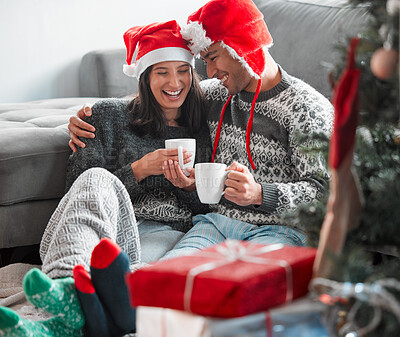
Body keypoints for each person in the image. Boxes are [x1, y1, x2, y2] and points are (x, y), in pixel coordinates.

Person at [69, 0, 334, 258]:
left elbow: (328, 193)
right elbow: (162, 98)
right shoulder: (217, 94)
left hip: (278, 230)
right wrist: (88, 118)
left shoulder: (306, 109)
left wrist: (259, 193)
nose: (209, 71)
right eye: (204, 61)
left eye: (213, 58)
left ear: (242, 45)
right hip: (214, 223)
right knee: (166, 278)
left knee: (232, 287)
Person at [0, 20, 211, 337]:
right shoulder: (108, 115)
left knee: (125, 287)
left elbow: (205, 208)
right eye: (162, 72)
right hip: (101, 229)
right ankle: (65, 284)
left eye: (182, 70)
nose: (175, 81)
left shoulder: (202, 129)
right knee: (97, 177)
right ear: (145, 77)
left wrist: (189, 187)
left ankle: (53, 321)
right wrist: (139, 169)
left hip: (161, 236)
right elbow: (79, 187)